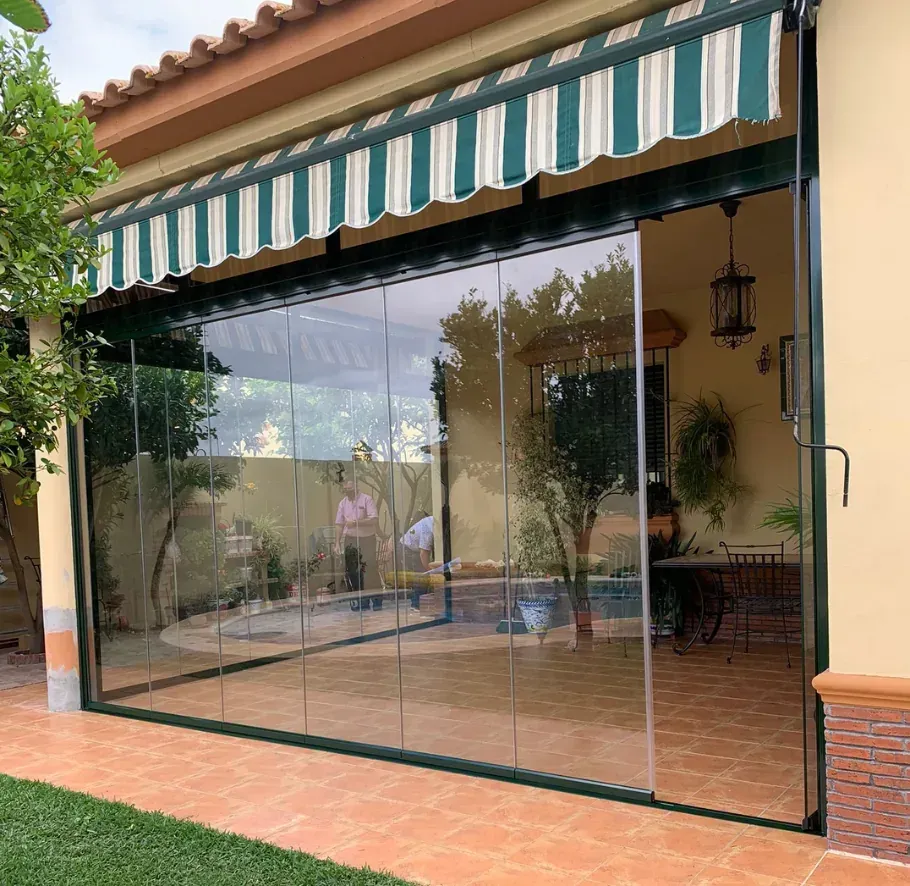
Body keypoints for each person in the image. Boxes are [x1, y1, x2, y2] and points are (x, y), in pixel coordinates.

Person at [334, 479, 382, 610]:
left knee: (369, 569)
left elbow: (373, 519)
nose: (347, 491)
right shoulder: (343, 503)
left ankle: (377, 601)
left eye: (350, 489)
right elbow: (339, 524)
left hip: (367, 539)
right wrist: (337, 543)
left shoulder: (367, 499)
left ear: (356, 487)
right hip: (350, 539)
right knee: (352, 571)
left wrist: (356, 523)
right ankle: (361, 602)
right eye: (345, 489)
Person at [399, 513, 434, 611]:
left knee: (422, 574)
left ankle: (421, 603)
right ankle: (416, 604)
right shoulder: (428, 529)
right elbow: (423, 554)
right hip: (407, 548)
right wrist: (430, 571)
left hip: (412, 547)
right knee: (421, 574)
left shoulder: (433, 522)